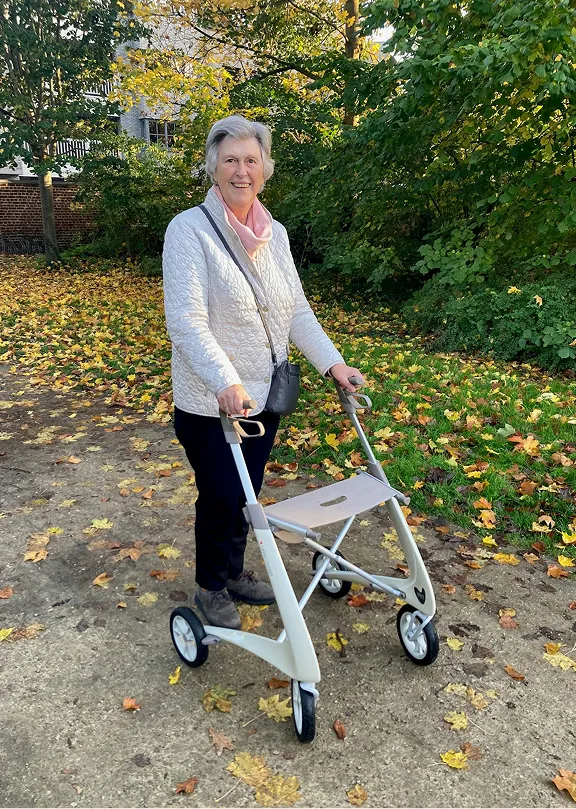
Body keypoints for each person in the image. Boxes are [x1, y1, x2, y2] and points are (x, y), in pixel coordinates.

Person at [163, 115, 363, 629]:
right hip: (212, 401)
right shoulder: (188, 231)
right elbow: (186, 322)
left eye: (251, 160)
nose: (241, 170)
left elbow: (295, 309)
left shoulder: (275, 235)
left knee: (248, 491)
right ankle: (209, 587)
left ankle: (232, 572)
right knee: (223, 493)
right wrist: (224, 381)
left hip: (263, 399)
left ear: (265, 168)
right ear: (213, 167)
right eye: (230, 159)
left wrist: (332, 363)